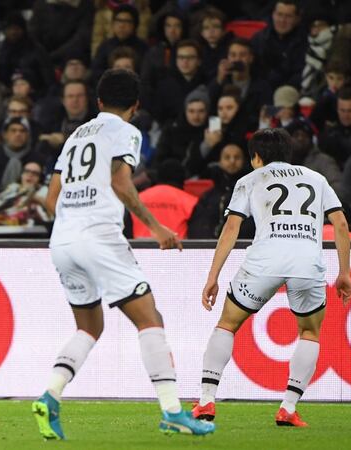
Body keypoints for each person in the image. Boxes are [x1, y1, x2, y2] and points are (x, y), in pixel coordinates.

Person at [31, 69, 215, 440]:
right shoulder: (126, 131)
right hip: (98, 236)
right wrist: (157, 227)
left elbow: (51, 199)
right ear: (135, 106)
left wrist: (74, 221)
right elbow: (120, 182)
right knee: (150, 318)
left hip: (62, 240)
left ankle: (50, 395)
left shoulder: (74, 137)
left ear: (98, 101)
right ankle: (173, 412)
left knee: (89, 327)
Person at [194, 128, 351, 427]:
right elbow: (341, 224)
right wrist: (344, 272)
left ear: (256, 157)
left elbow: (231, 229)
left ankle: (206, 400)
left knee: (227, 324)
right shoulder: (316, 179)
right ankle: (288, 408)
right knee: (309, 333)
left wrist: (213, 276)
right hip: (307, 264)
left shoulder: (250, 180)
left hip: (264, 262)